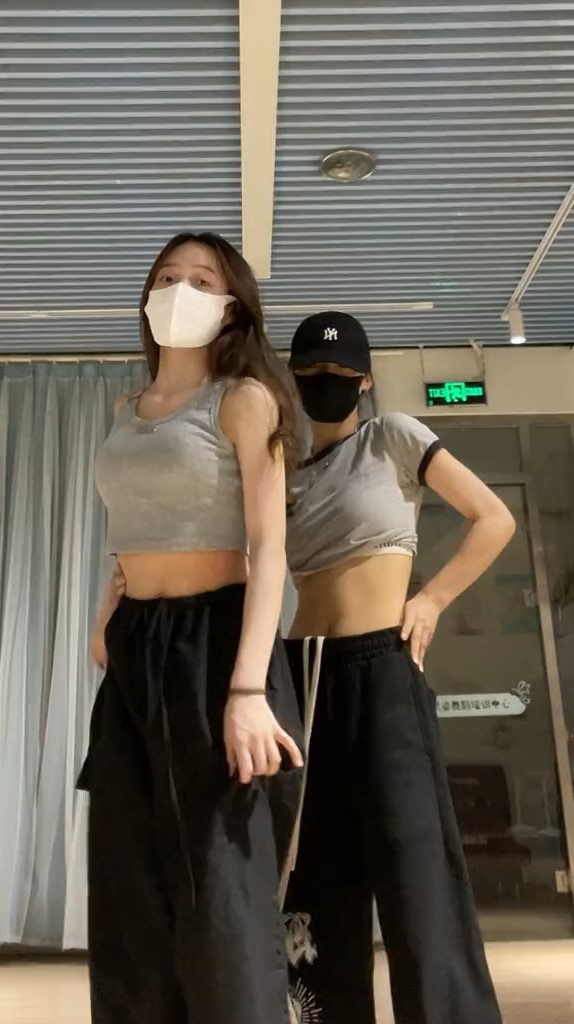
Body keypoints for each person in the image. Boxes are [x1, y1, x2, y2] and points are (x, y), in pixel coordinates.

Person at [78, 231, 304, 1024]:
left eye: (202, 280)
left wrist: (247, 689)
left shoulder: (243, 399)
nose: (180, 289)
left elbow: (269, 548)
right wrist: (107, 617)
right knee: (127, 888)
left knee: (219, 894)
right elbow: (130, 533)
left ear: (233, 305)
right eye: (167, 276)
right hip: (137, 644)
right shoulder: (125, 410)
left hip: (217, 640)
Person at [281, 311, 515, 1024]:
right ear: (294, 379)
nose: (325, 382)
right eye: (311, 372)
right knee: (316, 876)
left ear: (365, 380)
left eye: (339, 373)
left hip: (383, 665)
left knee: (418, 875)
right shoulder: (286, 472)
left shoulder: (394, 435)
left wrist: (434, 598)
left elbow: (493, 518)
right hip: (304, 676)